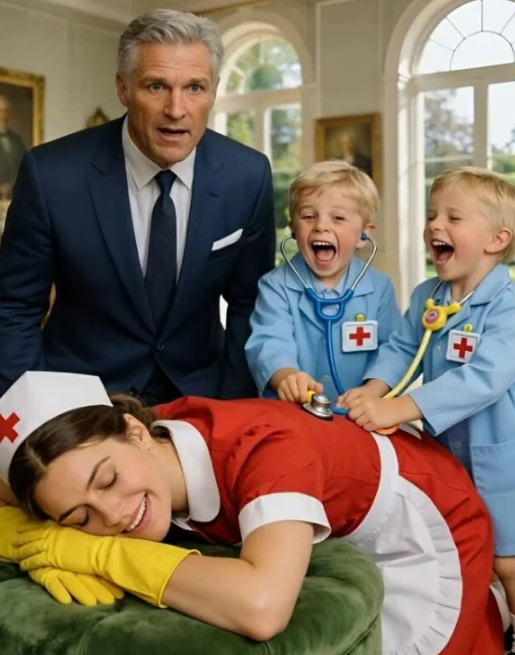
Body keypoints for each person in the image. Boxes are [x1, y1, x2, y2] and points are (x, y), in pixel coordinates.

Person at [0, 371, 508, 654]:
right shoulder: (137, 443)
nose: (111, 516)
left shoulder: (268, 449)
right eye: (80, 519)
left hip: (422, 530)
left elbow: (262, 608)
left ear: (135, 431)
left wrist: (95, 553)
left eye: (108, 481)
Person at [0, 9, 275, 402]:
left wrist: (232, 405)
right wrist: (34, 412)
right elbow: (14, 308)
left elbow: (251, 306)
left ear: (213, 91)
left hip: (201, 399)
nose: (176, 109)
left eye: (194, 88)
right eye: (156, 86)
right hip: (80, 402)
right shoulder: (51, 175)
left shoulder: (248, 175)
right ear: (123, 89)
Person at [339, 166, 515, 649]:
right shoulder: (427, 296)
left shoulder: (507, 306)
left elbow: (485, 376)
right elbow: (401, 348)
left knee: (507, 559)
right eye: (432, 215)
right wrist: (374, 390)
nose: (435, 225)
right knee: (463, 546)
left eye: (453, 218)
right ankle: (483, 631)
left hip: (500, 459)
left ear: (497, 240)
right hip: (447, 453)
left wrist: (402, 407)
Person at [245, 161, 401, 403]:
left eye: (338, 218)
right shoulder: (275, 286)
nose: (321, 226)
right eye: (309, 216)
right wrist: (286, 376)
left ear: (363, 234)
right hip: (294, 410)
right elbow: (269, 342)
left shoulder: (379, 288)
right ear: (293, 228)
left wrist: (372, 391)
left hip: (360, 413)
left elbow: (393, 352)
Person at [0, 94, 26, 199]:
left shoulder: (16, 140)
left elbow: (23, 166)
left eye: (6, 111)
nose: (3, 115)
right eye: (0, 111)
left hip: (15, 195)